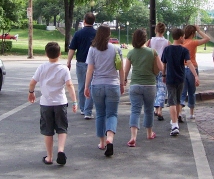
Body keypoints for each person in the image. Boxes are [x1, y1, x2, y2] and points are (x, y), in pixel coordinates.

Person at [28, 42, 77, 165]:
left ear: (46, 54)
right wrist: (74, 101)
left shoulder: (42, 67)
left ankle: (49, 157)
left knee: (48, 130)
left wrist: (31, 92)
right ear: (60, 54)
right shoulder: (63, 69)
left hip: (46, 104)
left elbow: (32, 82)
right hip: (60, 102)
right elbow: (69, 85)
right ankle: (60, 150)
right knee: (62, 128)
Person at [84, 25, 124, 157]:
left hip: (97, 85)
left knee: (100, 114)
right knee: (112, 114)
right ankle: (110, 138)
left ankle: (102, 142)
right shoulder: (116, 49)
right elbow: (121, 69)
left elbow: (90, 70)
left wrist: (86, 86)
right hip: (113, 84)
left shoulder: (92, 49)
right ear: (109, 34)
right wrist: (122, 83)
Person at [124, 29, 162, 147]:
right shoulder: (152, 52)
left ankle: (133, 137)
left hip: (135, 85)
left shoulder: (131, 53)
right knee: (149, 110)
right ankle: (149, 133)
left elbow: (126, 70)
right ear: (145, 39)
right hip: (150, 85)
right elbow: (161, 67)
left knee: (135, 110)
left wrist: (124, 80)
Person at [161, 28, 200, 136]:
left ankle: (174, 124)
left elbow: (164, 64)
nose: (184, 39)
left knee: (171, 101)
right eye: (183, 37)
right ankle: (175, 121)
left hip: (170, 78)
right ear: (180, 37)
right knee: (178, 100)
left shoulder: (167, 49)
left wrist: (163, 75)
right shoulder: (184, 50)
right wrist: (195, 75)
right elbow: (189, 63)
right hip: (181, 78)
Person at [67, 12, 96, 119]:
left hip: (80, 62)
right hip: (93, 64)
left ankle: (83, 109)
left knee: (81, 86)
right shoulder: (96, 34)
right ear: (93, 22)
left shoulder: (78, 34)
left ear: (84, 21)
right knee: (91, 86)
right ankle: (88, 111)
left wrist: (68, 62)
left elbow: (72, 49)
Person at [180, 25, 210, 120]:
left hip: (182, 68)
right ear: (193, 33)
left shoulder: (182, 42)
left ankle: (180, 112)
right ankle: (192, 113)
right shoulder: (193, 43)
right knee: (192, 91)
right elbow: (207, 38)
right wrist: (199, 31)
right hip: (192, 67)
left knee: (182, 92)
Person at [146, 22, 170, 121]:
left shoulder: (150, 41)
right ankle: (159, 109)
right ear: (164, 31)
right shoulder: (167, 42)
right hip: (163, 67)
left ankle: (155, 109)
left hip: (152, 67)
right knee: (162, 88)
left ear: (155, 30)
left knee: (154, 88)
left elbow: (145, 52)